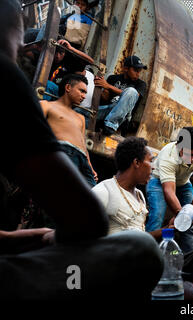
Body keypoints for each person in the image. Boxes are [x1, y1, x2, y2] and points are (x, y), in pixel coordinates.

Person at [0, 0, 163, 299]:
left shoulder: (78, 117)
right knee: (141, 250)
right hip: (58, 162)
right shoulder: (34, 98)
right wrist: (52, 236)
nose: (21, 51)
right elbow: (87, 220)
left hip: (69, 162)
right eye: (17, 43)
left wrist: (20, 238)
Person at [146, 127, 193, 254]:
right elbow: (168, 190)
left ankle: (189, 258)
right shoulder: (168, 156)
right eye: (188, 154)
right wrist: (180, 213)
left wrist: (191, 209)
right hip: (159, 182)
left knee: (192, 222)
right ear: (178, 146)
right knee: (157, 215)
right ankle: (147, 253)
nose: (192, 159)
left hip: (184, 183)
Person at [40, 73, 97, 187]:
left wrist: (90, 166)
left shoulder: (80, 118)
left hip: (82, 160)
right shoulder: (47, 105)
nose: (84, 96)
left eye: (85, 92)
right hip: (64, 152)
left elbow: (83, 144)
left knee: (91, 195)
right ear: (68, 88)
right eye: (81, 91)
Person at [92, 137, 153, 234]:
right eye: (150, 161)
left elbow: (137, 236)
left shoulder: (139, 195)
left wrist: (166, 229)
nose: (153, 167)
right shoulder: (104, 192)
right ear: (137, 162)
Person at [95, 55, 147, 136]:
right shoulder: (112, 78)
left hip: (123, 116)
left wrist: (108, 86)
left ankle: (111, 125)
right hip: (107, 110)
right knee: (81, 112)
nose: (138, 74)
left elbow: (135, 95)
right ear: (126, 68)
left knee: (131, 91)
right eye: (136, 70)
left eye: (139, 71)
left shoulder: (141, 84)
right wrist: (102, 86)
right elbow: (105, 99)